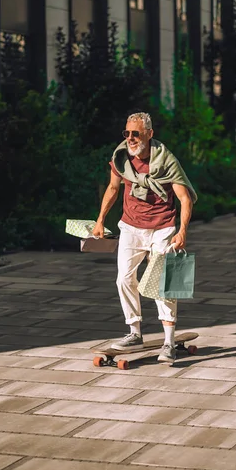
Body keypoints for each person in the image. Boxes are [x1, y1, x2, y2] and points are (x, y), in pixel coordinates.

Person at [92, 112, 197, 363]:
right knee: (124, 278)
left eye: (135, 133)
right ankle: (134, 331)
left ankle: (169, 341)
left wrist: (182, 231)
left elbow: (183, 198)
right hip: (131, 226)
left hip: (162, 227)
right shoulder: (121, 156)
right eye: (126, 133)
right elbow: (113, 188)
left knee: (163, 284)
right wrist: (100, 220)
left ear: (149, 134)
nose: (130, 138)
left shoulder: (166, 161)